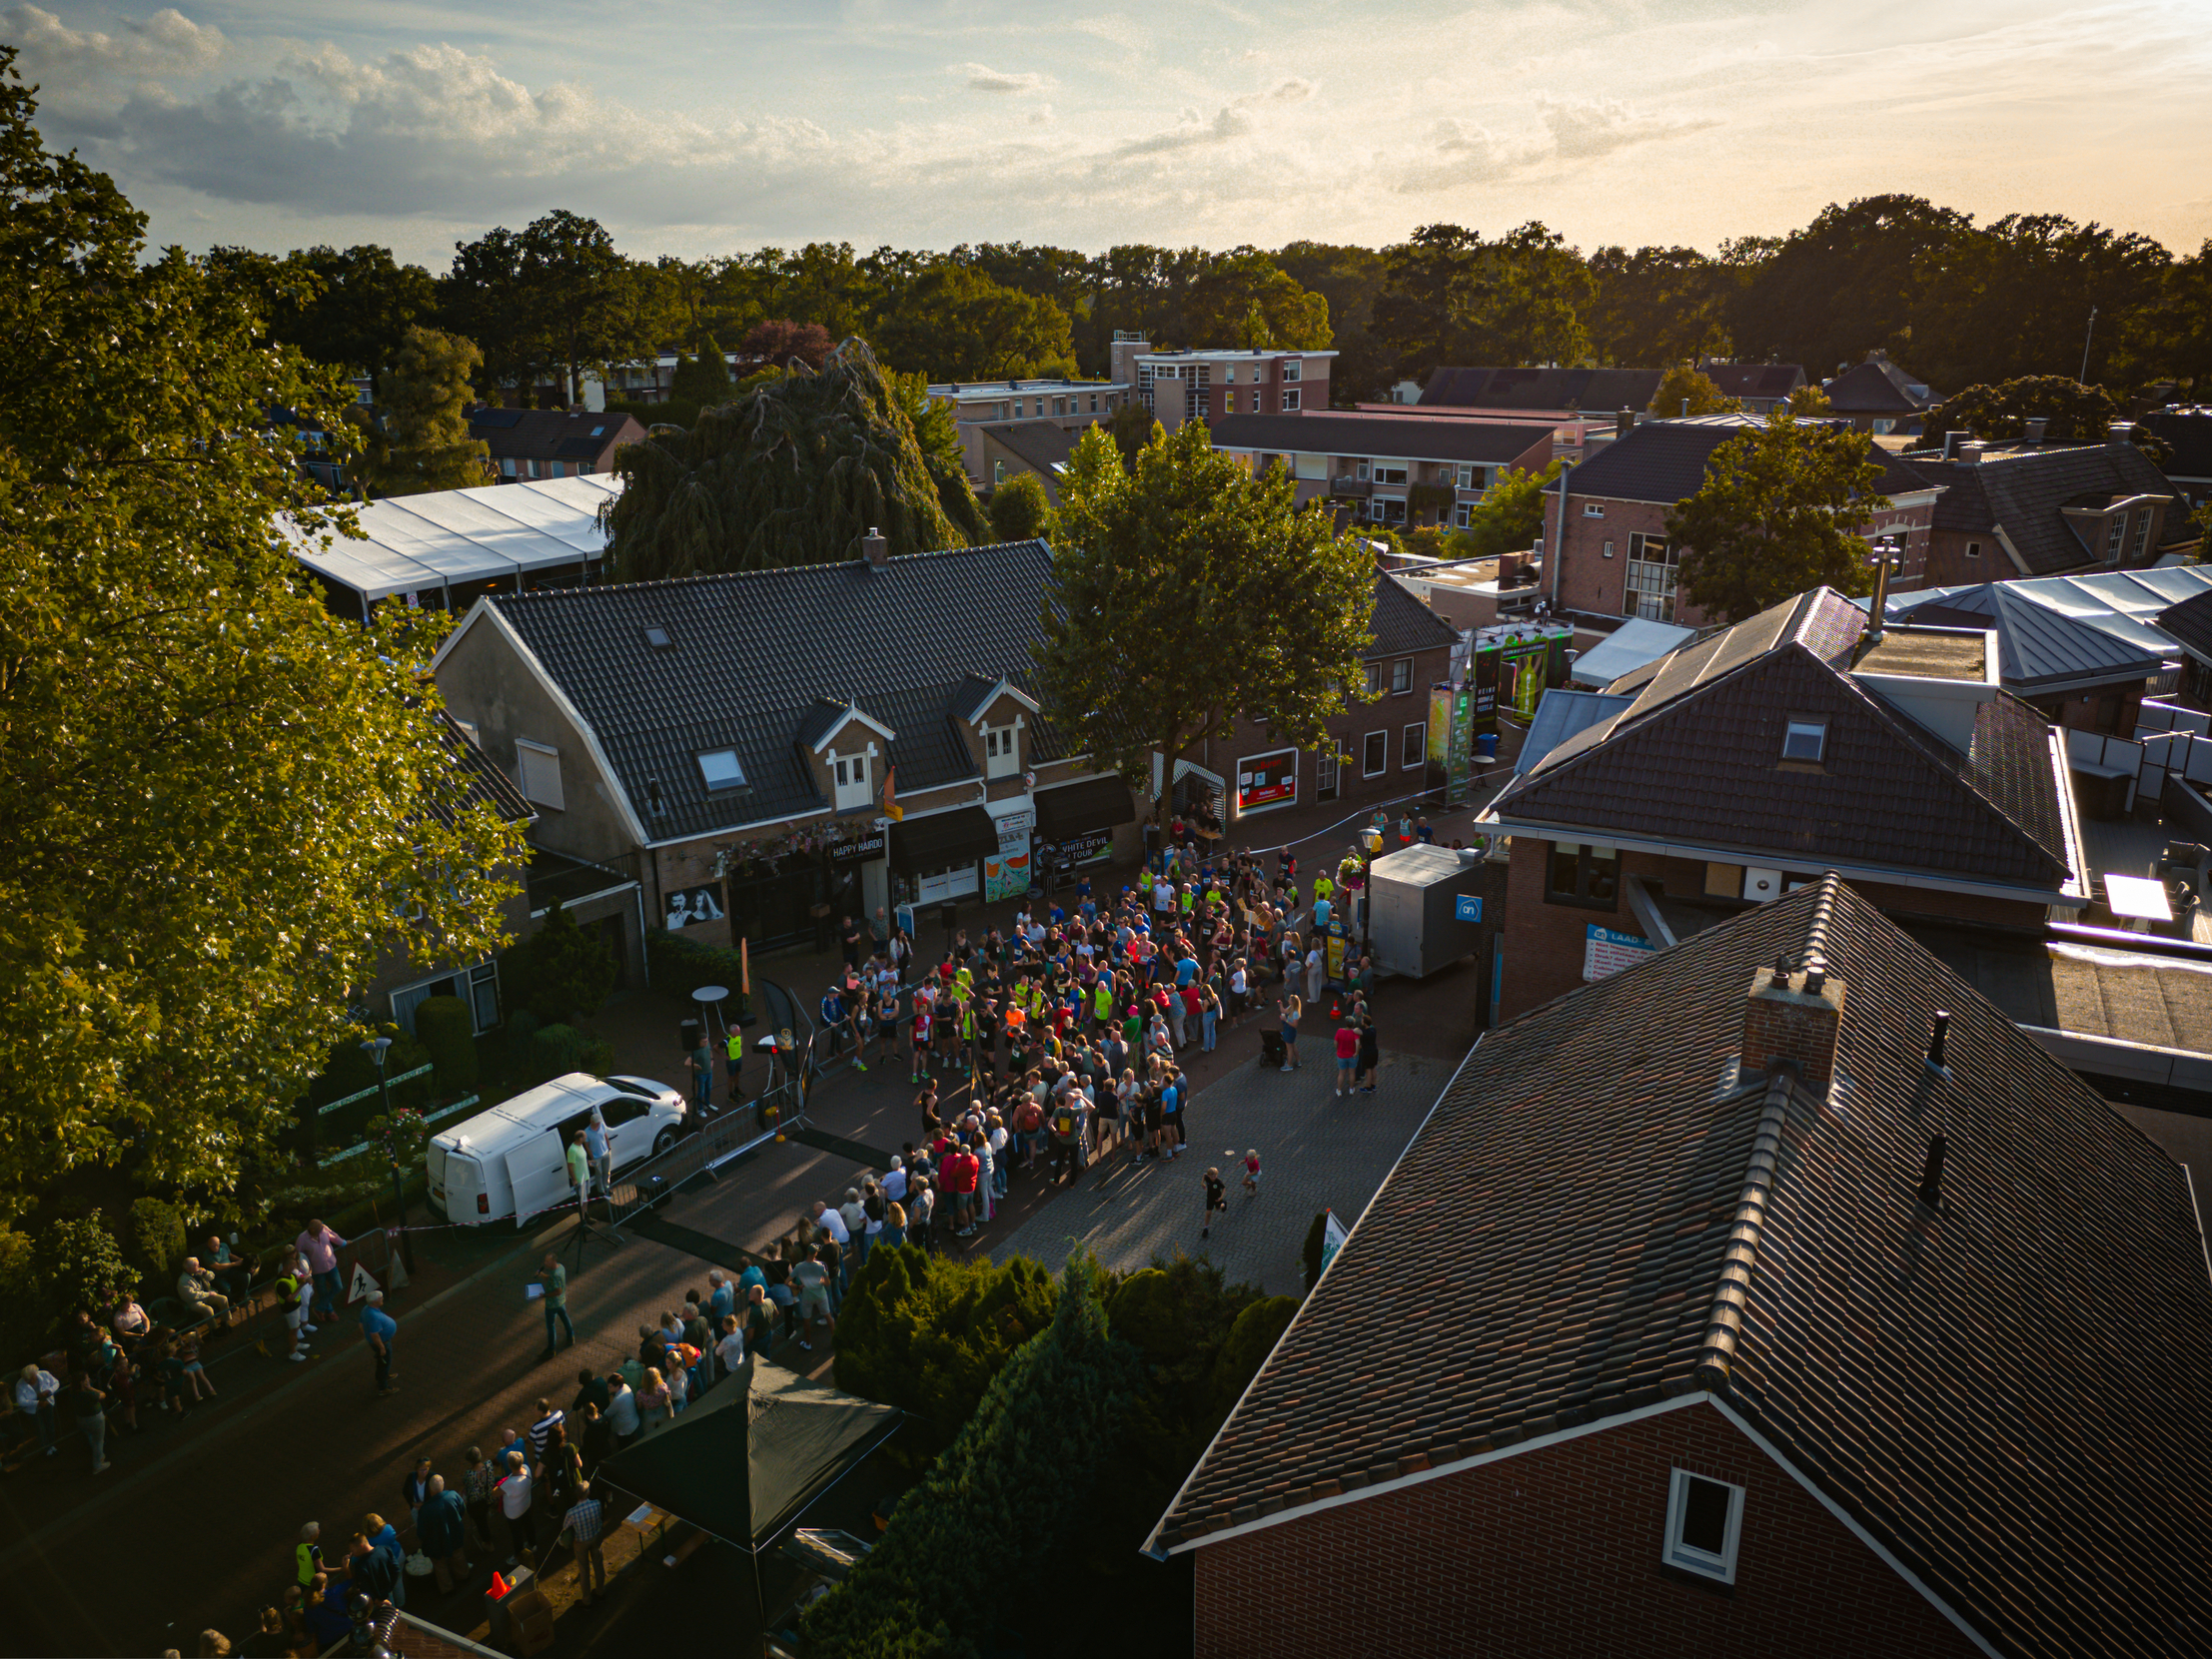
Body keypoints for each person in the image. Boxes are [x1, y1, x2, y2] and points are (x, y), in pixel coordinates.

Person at [416, 1472, 472, 1593]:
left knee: (440, 1566)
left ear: (430, 1490)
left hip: (435, 1544)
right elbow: (462, 1510)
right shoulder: (453, 1495)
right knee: (458, 1556)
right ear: (443, 1485)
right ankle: (463, 1576)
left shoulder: (425, 1510)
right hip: (455, 1536)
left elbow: (421, 1532)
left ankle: (447, 1589)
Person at [565, 1479, 608, 1604]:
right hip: (596, 1537)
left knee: (584, 1570)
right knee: (598, 1564)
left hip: (581, 1542)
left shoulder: (571, 1513)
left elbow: (565, 1527)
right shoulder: (597, 1504)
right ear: (588, 1493)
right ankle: (600, 1591)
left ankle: (587, 1600)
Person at [297, 1220, 346, 1323]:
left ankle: (318, 1309)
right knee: (323, 1292)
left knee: (338, 1287)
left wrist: (344, 1243)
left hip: (331, 1266)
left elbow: (334, 1236)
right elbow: (298, 1256)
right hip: (317, 1271)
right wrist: (303, 1272)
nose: (322, 1229)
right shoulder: (302, 1238)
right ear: (312, 1229)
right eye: (320, 1229)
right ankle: (330, 1312)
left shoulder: (323, 1229)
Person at [498, 1449, 537, 1567]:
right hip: (526, 1505)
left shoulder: (510, 1483)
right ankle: (532, 1544)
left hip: (513, 1513)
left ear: (509, 1466)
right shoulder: (527, 1469)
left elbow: (495, 1493)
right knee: (528, 1525)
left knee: (517, 1535)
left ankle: (518, 1556)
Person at [791, 1244, 833, 1352]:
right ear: (815, 1254)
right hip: (821, 1295)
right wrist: (821, 1282)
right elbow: (828, 1283)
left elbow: (792, 1282)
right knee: (828, 1317)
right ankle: (835, 1340)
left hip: (807, 1297)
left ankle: (808, 1343)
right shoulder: (821, 1266)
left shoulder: (800, 1266)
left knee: (807, 1320)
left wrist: (798, 1286)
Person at [535, 1250, 573, 1360]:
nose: (545, 1263)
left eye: (547, 1261)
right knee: (565, 1318)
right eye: (545, 1261)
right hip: (561, 1301)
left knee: (551, 1326)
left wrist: (544, 1295)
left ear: (553, 1261)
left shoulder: (555, 1275)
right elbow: (550, 1279)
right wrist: (541, 1275)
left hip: (552, 1304)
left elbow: (558, 1291)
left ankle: (551, 1349)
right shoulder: (560, 1267)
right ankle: (571, 1336)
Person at [360, 1289, 398, 1397]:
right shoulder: (374, 1316)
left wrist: (367, 1337)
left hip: (377, 1342)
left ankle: (382, 1377)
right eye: (380, 1298)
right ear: (374, 1302)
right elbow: (375, 1335)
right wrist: (381, 1347)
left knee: (382, 1363)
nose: (382, 1299)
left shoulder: (366, 1309)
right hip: (382, 1343)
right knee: (384, 1364)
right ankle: (383, 1387)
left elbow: (360, 1324)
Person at [15, 1362, 59, 1457]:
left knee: (50, 1425)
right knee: (40, 1430)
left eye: (30, 1379)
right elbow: (21, 1401)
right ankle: (46, 1449)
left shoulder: (45, 1374)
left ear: (35, 1374)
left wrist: (49, 1391)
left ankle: (52, 1445)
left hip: (47, 1403)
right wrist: (36, 1401)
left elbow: (56, 1383)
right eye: (26, 1380)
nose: (28, 1381)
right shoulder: (20, 1384)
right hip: (32, 1410)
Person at [69, 1370, 109, 1475]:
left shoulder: (73, 1392)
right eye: (87, 1378)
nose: (89, 1380)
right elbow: (103, 1395)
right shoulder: (88, 1394)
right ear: (82, 1382)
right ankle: (97, 1465)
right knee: (98, 1442)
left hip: (81, 1420)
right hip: (94, 1420)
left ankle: (99, 1456)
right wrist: (91, 1388)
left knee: (92, 1438)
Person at [177, 1257, 232, 1324]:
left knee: (223, 1299)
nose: (198, 1267)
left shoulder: (198, 1272)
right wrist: (208, 1294)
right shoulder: (183, 1280)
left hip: (206, 1295)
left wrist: (205, 1273)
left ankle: (225, 1322)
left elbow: (212, 1277)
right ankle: (214, 1329)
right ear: (188, 1268)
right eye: (196, 1265)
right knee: (208, 1310)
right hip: (194, 1301)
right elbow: (192, 1295)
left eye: (198, 1265)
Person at [604, 1374, 640, 1449]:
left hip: (624, 1429)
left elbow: (608, 1413)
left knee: (623, 1447)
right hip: (633, 1423)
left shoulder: (618, 1399)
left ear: (617, 1386)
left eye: (610, 1386)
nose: (608, 1388)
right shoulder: (626, 1387)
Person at [401, 1456, 433, 1537]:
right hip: (415, 1508)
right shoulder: (411, 1477)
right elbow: (405, 1491)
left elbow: (436, 1495)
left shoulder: (432, 1478)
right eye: (421, 1470)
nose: (424, 1472)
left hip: (428, 1509)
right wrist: (412, 1503)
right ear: (417, 1469)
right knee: (419, 1526)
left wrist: (424, 1504)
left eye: (426, 1469)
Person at [1334, 1018, 1360, 1098]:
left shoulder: (1340, 1031)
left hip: (1341, 1056)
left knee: (1341, 1074)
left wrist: (1337, 1049)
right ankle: (1351, 1089)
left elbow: (1335, 1042)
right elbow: (1358, 1043)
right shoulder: (1354, 1032)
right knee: (1351, 1073)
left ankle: (1339, 1090)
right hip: (1352, 1056)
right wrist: (1356, 1052)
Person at [1277, 992, 1303, 1072]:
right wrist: (1280, 1004)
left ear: (1292, 1002)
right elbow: (1284, 1011)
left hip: (1290, 1031)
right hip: (1289, 1030)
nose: (1288, 1000)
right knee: (1293, 1046)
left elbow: (1295, 1025)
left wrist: (1285, 1020)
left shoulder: (1295, 1013)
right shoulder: (1291, 1007)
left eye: (1289, 999)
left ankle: (1289, 1064)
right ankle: (1298, 1061)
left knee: (1289, 1048)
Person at [1356, 1012, 1380, 1094]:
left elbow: (1356, 1031)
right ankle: (1373, 1084)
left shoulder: (1364, 1032)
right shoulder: (1373, 1029)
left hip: (1367, 1053)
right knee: (1373, 1068)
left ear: (1365, 1023)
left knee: (1368, 1069)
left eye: (1362, 1020)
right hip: (1374, 1051)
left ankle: (1368, 1086)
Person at [296, 1522, 324, 1590]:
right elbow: (322, 1569)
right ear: (312, 1536)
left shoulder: (299, 1547)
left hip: (301, 1580)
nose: (319, 1531)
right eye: (317, 1530)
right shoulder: (314, 1549)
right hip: (312, 1584)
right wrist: (341, 1569)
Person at [1202, 1167, 1227, 1241]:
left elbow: (1224, 1188)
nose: (1213, 1177)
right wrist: (1202, 1183)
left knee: (1219, 1208)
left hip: (1217, 1199)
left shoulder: (1218, 1182)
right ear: (1209, 1176)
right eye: (1212, 1176)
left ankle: (1224, 1204)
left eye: (1215, 1176)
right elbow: (1204, 1175)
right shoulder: (1207, 1177)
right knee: (1208, 1213)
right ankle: (1206, 1228)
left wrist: (1221, 1197)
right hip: (1210, 1199)